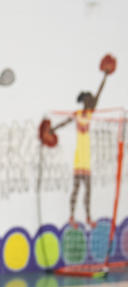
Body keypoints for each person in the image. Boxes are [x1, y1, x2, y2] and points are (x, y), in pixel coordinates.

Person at [49, 70, 111, 229]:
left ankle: (88, 217)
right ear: (84, 101)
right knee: (76, 189)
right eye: (89, 100)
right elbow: (65, 122)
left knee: (88, 191)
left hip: (86, 158)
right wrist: (53, 129)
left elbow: (99, 95)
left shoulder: (90, 114)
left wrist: (104, 77)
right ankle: (71, 216)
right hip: (79, 158)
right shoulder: (78, 114)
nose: (92, 102)